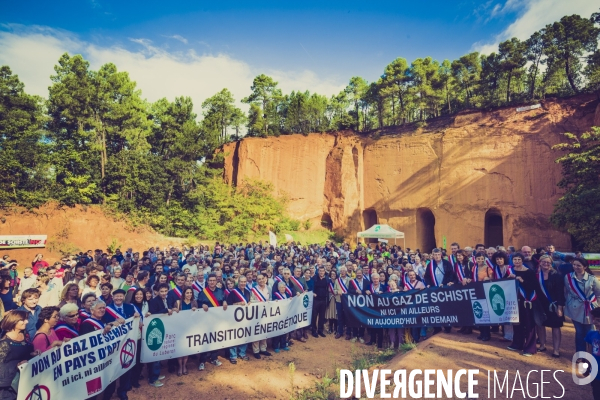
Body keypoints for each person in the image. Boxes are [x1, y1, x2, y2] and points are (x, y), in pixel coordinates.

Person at [564, 257, 600, 357]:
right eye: (574, 265)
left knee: (591, 333)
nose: (575, 267)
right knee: (579, 333)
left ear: (585, 267)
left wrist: (597, 308)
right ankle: (581, 355)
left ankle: (594, 355)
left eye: (578, 265)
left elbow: (599, 294)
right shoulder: (568, 277)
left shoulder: (592, 279)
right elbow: (567, 292)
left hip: (590, 309)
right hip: (575, 309)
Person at [0, 310, 39, 400]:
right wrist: (17, 365)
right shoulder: (3, 344)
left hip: (24, 383)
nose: (27, 322)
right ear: (14, 321)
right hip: (8, 390)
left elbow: (24, 355)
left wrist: (32, 355)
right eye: (23, 320)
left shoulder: (24, 335)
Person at [507, 253, 539, 357]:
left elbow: (533, 286)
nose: (516, 261)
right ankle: (517, 343)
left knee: (529, 324)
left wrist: (522, 280)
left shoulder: (529, 271)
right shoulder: (510, 271)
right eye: (515, 259)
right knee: (517, 322)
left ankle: (530, 347)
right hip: (515, 301)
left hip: (527, 300)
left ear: (522, 260)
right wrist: (508, 278)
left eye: (518, 259)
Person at [535, 254, 565, 358]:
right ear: (540, 262)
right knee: (540, 325)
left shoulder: (556, 275)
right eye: (544, 262)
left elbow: (561, 292)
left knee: (556, 327)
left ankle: (556, 349)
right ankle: (542, 345)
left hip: (554, 304)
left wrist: (560, 307)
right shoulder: (537, 275)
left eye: (548, 262)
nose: (546, 264)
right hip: (540, 304)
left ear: (551, 263)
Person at [197, 274, 227, 370]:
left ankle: (214, 358)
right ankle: (202, 361)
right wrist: (202, 305)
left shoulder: (220, 291)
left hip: (217, 320)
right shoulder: (203, 292)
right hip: (206, 321)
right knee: (206, 340)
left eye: (214, 280)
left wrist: (225, 302)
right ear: (207, 281)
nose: (212, 282)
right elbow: (198, 303)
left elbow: (224, 300)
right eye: (210, 280)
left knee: (216, 339)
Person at [424, 248, 456, 334]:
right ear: (433, 255)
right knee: (435, 309)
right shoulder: (430, 265)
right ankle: (437, 328)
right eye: (435, 255)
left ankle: (447, 326)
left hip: (444, 289)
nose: (437, 256)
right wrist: (428, 284)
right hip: (434, 290)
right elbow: (426, 276)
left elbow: (450, 275)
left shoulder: (446, 263)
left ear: (441, 255)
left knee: (446, 308)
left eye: (438, 254)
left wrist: (445, 283)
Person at [226, 276, 251, 364]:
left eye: (244, 282)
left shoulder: (248, 292)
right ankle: (233, 355)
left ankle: (242, 353)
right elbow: (229, 305)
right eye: (241, 282)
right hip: (234, 319)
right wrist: (238, 304)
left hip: (244, 318)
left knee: (244, 335)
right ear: (238, 282)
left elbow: (248, 302)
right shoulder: (233, 293)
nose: (243, 283)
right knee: (233, 336)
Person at [472, 252, 494, 341]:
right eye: (478, 258)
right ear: (475, 259)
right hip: (476, 292)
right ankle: (481, 332)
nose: (480, 260)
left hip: (485, 292)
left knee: (485, 313)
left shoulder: (488, 268)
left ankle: (487, 334)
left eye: (482, 258)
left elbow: (493, 277)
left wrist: (488, 278)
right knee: (478, 311)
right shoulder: (474, 268)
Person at [175, 287, 197, 376]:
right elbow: (174, 314)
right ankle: (180, 366)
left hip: (189, 328)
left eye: (190, 293)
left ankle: (185, 365)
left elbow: (197, 316)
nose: (189, 294)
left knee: (186, 348)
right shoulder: (178, 302)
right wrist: (174, 310)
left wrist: (195, 311)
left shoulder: (194, 303)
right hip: (180, 328)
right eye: (187, 293)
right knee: (180, 348)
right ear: (184, 293)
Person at [249, 274, 273, 357]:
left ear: (265, 279)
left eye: (262, 278)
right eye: (259, 279)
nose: (261, 280)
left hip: (266, 313)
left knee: (264, 330)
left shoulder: (269, 288)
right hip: (256, 313)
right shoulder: (253, 290)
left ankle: (263, 349)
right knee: (257, 331)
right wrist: (260, 303)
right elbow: (251, 301)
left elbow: (271, 299)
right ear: (257, 281)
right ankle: (256, 351)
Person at [584, 308, 600, 400]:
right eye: (594, 319)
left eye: (598, 320)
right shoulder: (591, 334)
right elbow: (589, 352)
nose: (594, 322)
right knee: (596, 393)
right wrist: (587, 366)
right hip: (595, 372)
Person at [272, 281, 292, 352]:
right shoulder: (275, 295)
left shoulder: (288, 295)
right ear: (278, 288)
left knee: (284, 331)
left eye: (284, 287)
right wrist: (274, 301)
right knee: (277, 332)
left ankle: (283, 345)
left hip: (285, 315)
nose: (283, 288)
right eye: (281, 287)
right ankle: (275, 346)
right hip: (278, 316)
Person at [334, 266, 351, 340]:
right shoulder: (337, 280)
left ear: (346, 272)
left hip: (347, 301)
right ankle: (340, 332)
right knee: (340, 316)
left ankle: (348, 333)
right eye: (341, 271)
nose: (343, 272)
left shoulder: (350, 280)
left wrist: (347, 292)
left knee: (348, 317)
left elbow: (352, 290)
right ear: (340, 272)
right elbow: (334, 290)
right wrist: (337, 291)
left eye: (344, 271)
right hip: (339, 300)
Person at [311, 266, 328, 338]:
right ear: (318, 271)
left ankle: (320, 330)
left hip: (323, 300)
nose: (321, 272)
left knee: (322, 316)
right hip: (316, 300)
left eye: (322, 271)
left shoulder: (327, 279)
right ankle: (314, 331)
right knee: (314, 316)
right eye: (320, 271)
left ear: (324, 272)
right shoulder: (314, 278)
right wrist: (312, 293)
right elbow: (311, 288)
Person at [387, 279, 403, 349]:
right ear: (389, 286)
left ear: (396, 285)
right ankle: (392, 343)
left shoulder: (401, 292)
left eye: (394, 284)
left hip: (400, 313)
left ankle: (400, 343)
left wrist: (398, 291)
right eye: (391, 285)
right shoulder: (387, 293)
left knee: (400, 328)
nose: (393, 285)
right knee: (391, 329)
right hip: (391, 314)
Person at [325, 269, 338, 335]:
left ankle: (335, 328)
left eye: (334, 274)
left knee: (336, 314)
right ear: (330, 275)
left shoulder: (338, 281)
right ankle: (330, 328)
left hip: (337, 299)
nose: (333, 275)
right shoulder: (328, 281)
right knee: (330, 314)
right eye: (332, 274)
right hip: (330, 299)